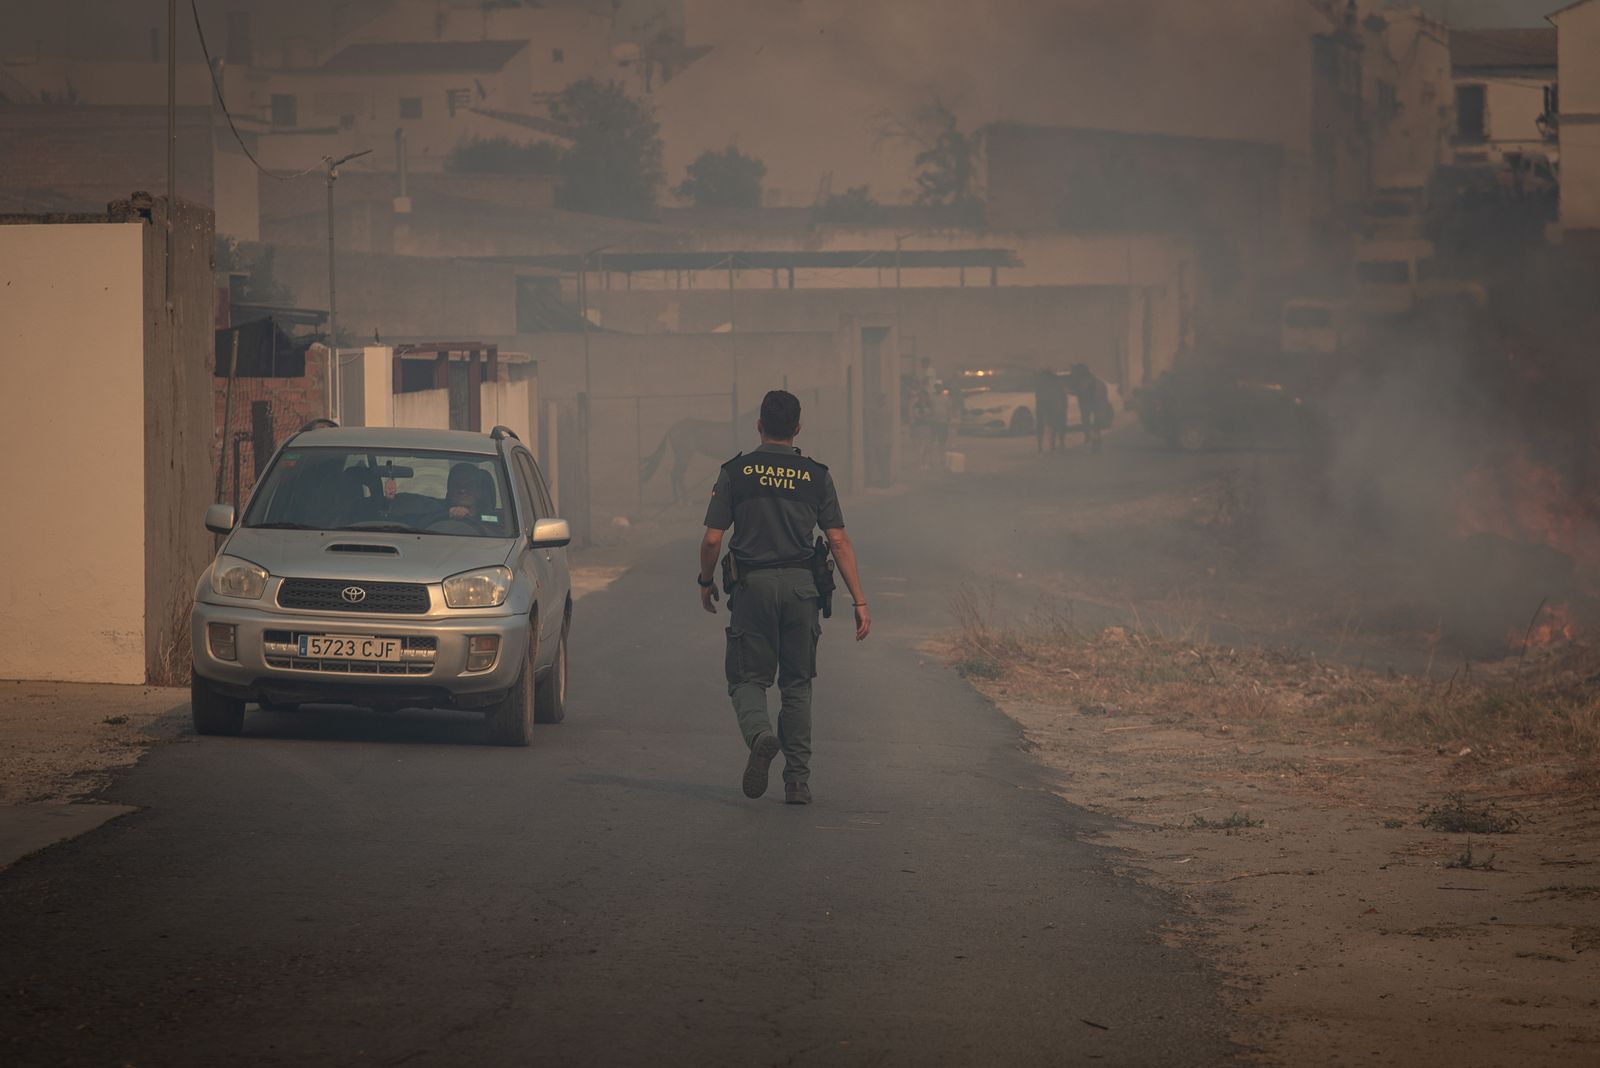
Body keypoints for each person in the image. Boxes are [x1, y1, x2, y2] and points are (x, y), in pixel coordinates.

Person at [698, 390, 870, 805]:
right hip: (802, 590)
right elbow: (838, 541)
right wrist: (859, 601)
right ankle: (797, 782)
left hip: (753, 589)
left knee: (747, 678)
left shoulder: (735, 472)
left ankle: (760, 735)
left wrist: (706, 582)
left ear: (759, 425)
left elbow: (712, 538)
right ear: (797, 428)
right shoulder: (816, 475)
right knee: (797, 685)